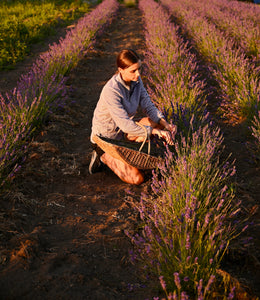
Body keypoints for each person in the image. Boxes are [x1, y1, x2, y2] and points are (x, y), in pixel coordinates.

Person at [89, 49, 176, 185]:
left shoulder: (136, 81)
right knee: (137, 179)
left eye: (139, 69)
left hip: (124, 133)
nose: (138, 74)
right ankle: (102, 157)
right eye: (133, 71)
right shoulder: (111, 90)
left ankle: (133, 153)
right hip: (107, 139)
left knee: (156, 122)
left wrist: (166, 125)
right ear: (121, 70)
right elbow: (125, 124)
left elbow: (148, 106)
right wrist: (155, 132)